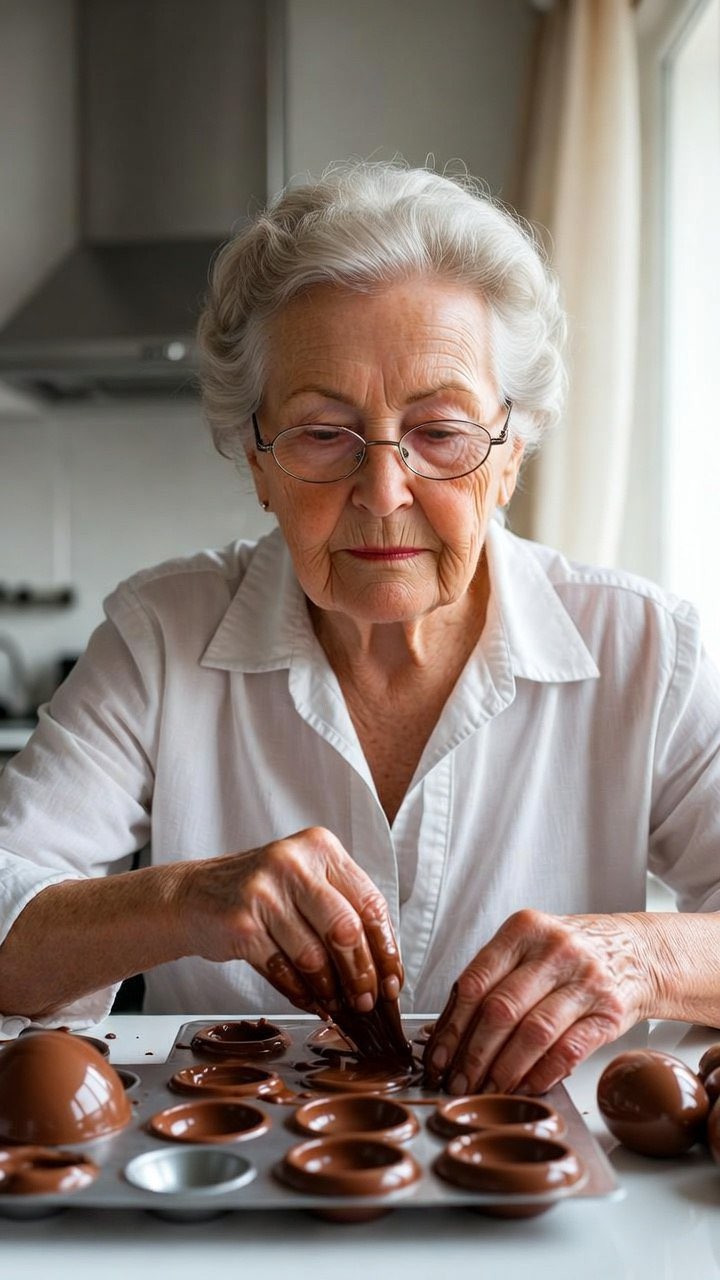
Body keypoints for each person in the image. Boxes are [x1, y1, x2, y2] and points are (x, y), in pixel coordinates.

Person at [1, 161, 719, 1098]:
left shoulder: (647, 647)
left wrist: (642, 957)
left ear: (511, 455)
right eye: (321, 432)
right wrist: (184, 898)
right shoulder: (160, 637)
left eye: (441, 432)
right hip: (236, 1171)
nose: (383, 492)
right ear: (257, 462)